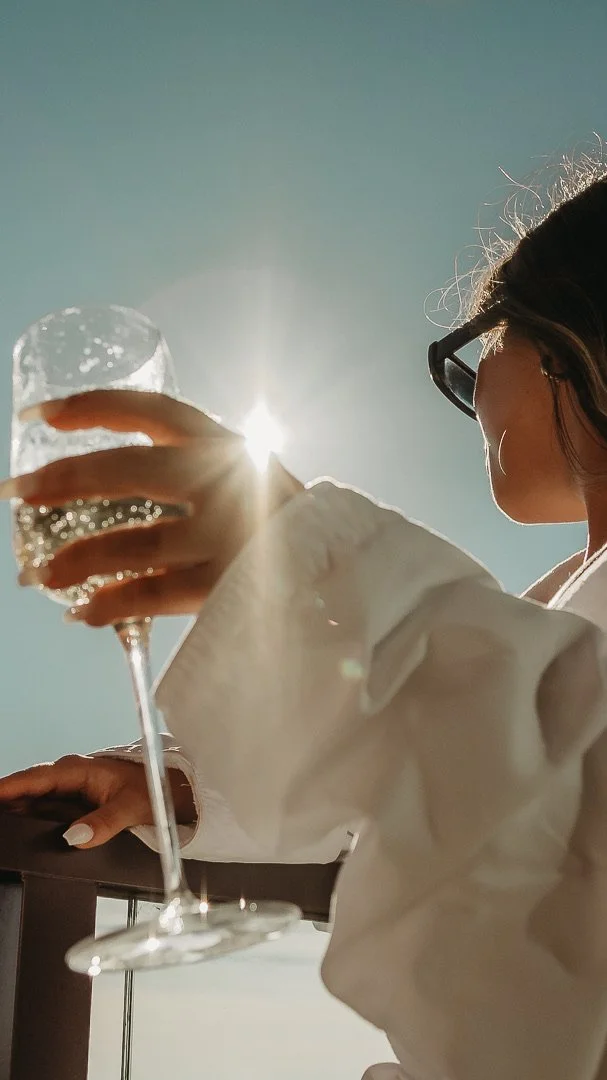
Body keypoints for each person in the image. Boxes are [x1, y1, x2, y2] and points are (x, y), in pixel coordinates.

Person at [3, 163, 607, 1080]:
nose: (471, 399)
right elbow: (473, 779)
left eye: (480, 346)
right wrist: (183, 786)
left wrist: (323, 565)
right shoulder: (566, 596)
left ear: (569, 338)